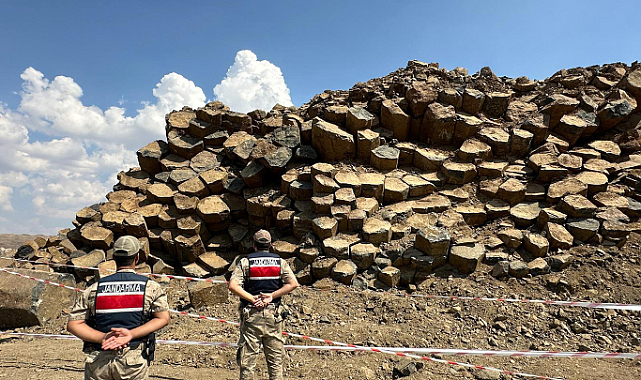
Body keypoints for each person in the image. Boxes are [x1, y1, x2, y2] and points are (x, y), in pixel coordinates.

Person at [67, 235, 170, 380]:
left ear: (114, 258)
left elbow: (73, 324)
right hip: (132, 361)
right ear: (137, 258)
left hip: (98, 361)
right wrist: (131, 334)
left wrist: (103, 337)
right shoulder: (151, 287)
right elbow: (163, 318)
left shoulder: (94, 288)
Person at [229, 229, 300, 380]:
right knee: (275, 363)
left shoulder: (246, 262)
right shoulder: (280, 262)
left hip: (251, 316)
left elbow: (233, 285)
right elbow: (293, 284)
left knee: (247, 363)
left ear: (254, 245)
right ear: (270, 245)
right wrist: (272, 296)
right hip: (273, 315)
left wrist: (252, 299)